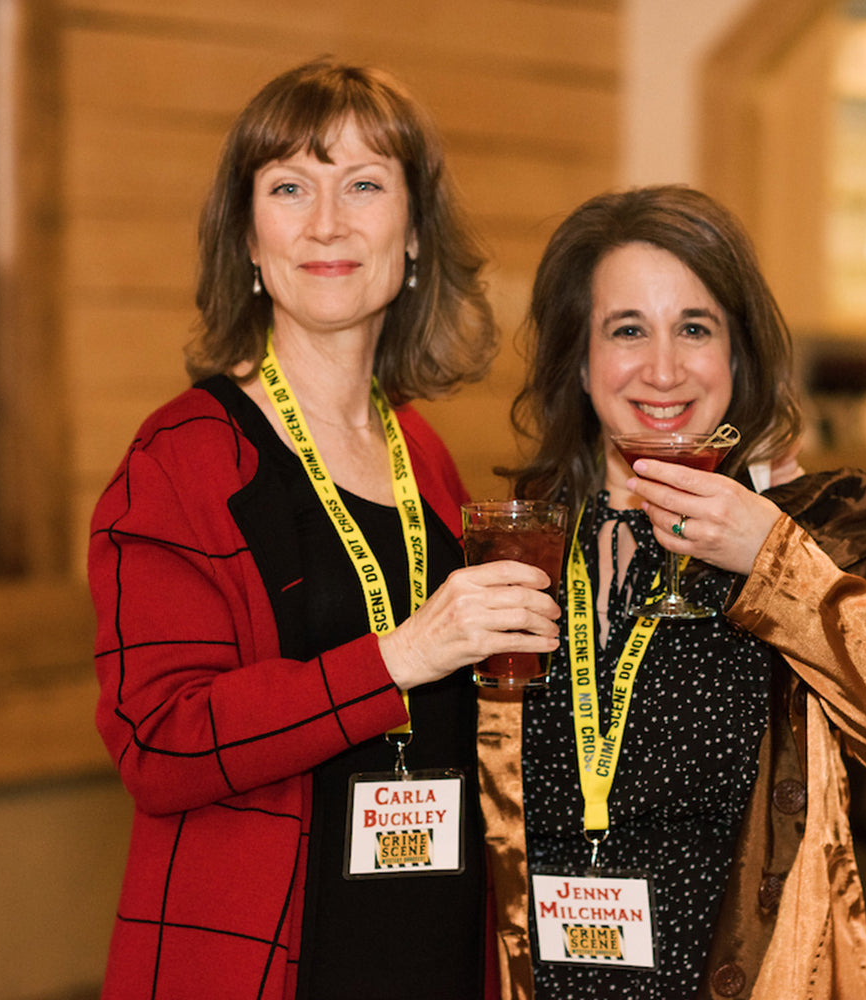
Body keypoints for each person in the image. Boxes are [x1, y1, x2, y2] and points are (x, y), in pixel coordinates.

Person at [87, 59, 561, 1000]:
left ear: (414, 234)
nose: (327, 223)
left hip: (430, 942)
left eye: (366, 185)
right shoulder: (180, 459)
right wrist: (400, 655)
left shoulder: (420, 451)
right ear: (250, 241)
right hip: (266, 956)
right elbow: (160, 741)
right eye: (290, 188)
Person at [474, 185, 866, 1000]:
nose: (664, 368)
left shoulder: (820, 525)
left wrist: (773, 560)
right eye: (628, 330)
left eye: (695, 329)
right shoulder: (520, 549)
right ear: (578, 360)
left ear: (738, 357)